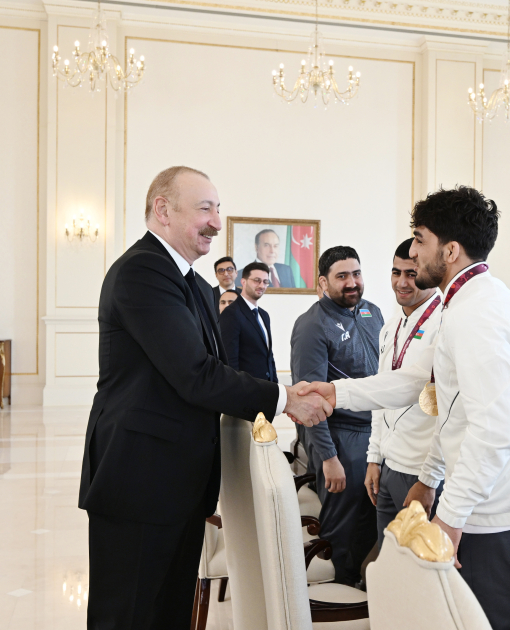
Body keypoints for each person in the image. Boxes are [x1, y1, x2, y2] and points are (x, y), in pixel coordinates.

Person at [299, 186, 510, 630]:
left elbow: (492, 430)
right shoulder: (476, 298)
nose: (412, 250)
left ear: (449, 250)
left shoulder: (473, 313)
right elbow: (424, 387)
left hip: (505, 519)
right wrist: (336, 395)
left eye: (420, 239)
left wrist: (448, 519)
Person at [78, 166, 331, 630]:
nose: (216, 221)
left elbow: (217, 369)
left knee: (169, 610)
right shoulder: (141, 272)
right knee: (128, 613)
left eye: (218, 209)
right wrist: (283, 398)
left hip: (176, 482)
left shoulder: (192, 283)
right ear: (163, 209)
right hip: (138, 477)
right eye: (205, 208)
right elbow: (195, 375)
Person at [289, 245, 384, 585]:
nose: (351, 282)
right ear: (323, 283)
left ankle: (361, 588)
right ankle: (336, 593)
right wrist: (328, 457)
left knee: (372, 523)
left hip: (377, 435)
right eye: (341, 276)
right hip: (341, 438)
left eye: (356, 274)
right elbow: (308, 400)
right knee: (343, 529)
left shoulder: (374, 313)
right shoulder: (312, 325)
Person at [366, 238, 444, 546]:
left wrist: (429, 479)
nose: (402, 282)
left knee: (419, 573)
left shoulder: (444, 322)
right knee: (388, 565)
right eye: (396, 272)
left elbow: (447, 412)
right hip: (389, 466)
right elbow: (379, 394)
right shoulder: (392, 323)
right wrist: (375, 457)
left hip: (421, 473)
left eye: (411, 273)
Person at [218, 262, 278, 383]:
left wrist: (276, 385)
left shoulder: (264, 315)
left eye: (265, 282)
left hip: (267, 388)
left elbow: (268, 356)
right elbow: (230, 360)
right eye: (257, 280)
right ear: (243, 282)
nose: (262, 285)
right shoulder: (231, 313)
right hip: (246, 390)